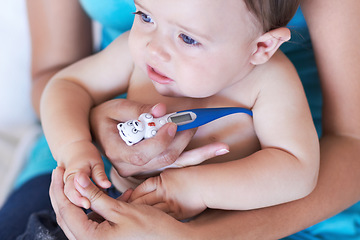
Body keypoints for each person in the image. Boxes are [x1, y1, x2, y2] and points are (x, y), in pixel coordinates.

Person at [2, 0, 360, 239]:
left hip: (232, 220)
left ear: (261, 48)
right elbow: (66, 82)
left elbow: (297, 168)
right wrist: (77, 144)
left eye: (188, 38)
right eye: (145, 16)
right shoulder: (140, 53)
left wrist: (196, 188)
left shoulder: (270, 80)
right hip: (108, 195)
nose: (154, 48)